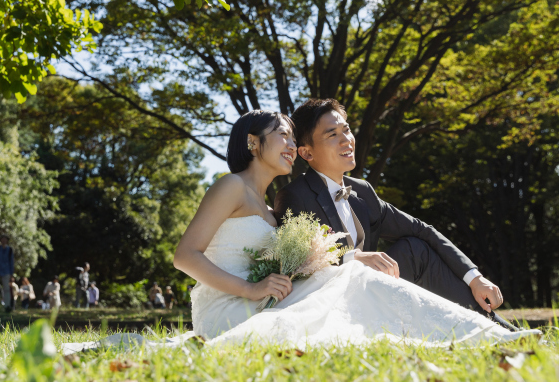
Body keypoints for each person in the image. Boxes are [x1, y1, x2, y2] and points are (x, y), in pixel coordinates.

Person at [169, 110, 539, 345]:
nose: (292, 145)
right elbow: (184, 256)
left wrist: (475, 276)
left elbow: (298, 265)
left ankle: (488, 331)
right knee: (351, 276)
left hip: (262, 299)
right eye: (283, 135)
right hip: (230, 308)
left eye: (293, 138)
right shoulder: (232, 186)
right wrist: (251, 289)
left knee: (378, 265)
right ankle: (479, 336)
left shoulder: (267, 209)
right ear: (253, 142)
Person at [274, 99, 516, 330]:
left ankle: (498, 327)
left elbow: (421, 229)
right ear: (307, 153)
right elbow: (298, 266)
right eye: (332, 135)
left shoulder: (362, 191)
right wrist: (354, 258)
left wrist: (474, 278)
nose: (346, 140)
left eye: (346, 130)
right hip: (333, 304)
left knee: (415, 249)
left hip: (372, 290)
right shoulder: (294, 196)